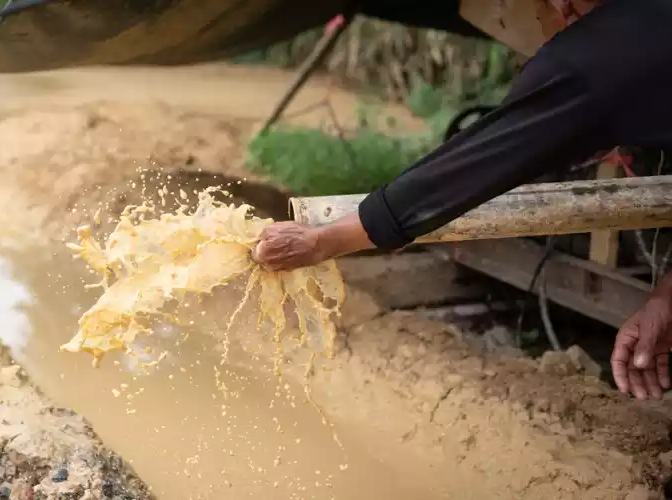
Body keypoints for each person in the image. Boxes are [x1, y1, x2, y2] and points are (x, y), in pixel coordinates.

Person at [252, 0, 672, 401]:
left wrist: (325, 241)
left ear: (559, 6)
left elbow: (464, 170)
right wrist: (664, 299)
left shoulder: (588, 60)